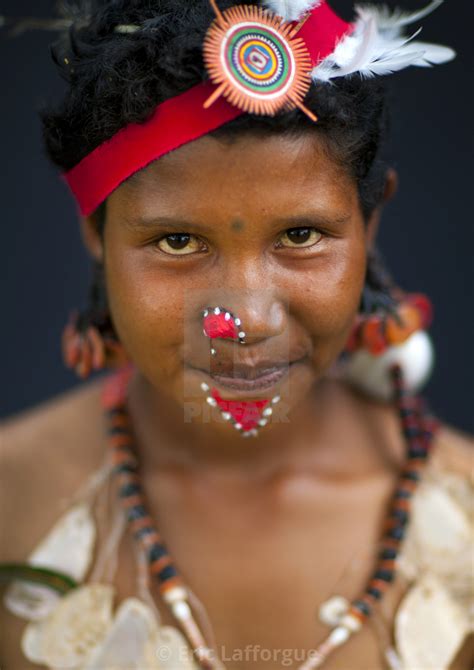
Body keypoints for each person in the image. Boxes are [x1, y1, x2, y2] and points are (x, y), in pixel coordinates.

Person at [0, 1, 472, 668]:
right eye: (178, 240)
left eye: (301, 236)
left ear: (370, 228)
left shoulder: (464, 531)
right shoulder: (9, 503)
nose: (247, 318)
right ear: (96, 234)